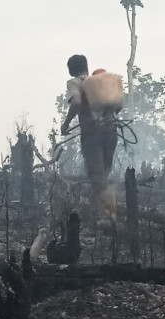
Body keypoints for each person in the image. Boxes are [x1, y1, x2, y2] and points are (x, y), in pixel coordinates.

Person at [61, 55, 118, 218]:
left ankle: (109, 215)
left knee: (97, 175)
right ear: (86, 66)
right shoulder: (99, 82)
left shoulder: (75, 82)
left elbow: (76, 102)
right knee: (104, 173)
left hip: (92, 133)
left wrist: (66, 124)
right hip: (111, 131)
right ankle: (98, 209)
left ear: (71, 70)